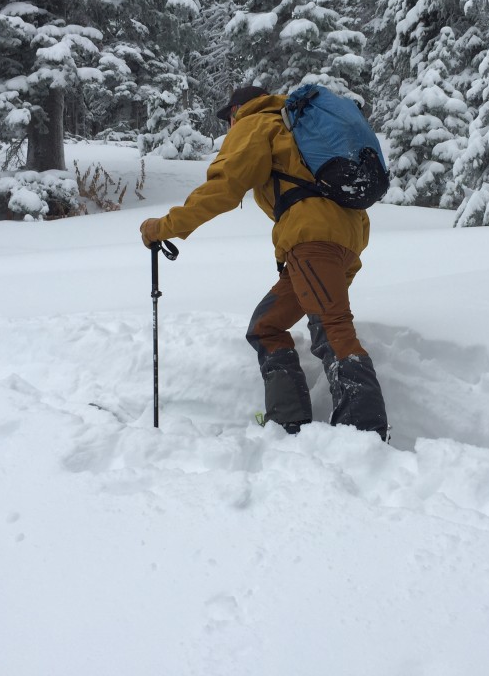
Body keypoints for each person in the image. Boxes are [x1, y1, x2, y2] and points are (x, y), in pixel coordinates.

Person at [140, 85, 389, 441]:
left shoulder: (255, 123)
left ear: (237, 109)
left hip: (313, 240)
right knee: (267, 326)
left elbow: (223, 188)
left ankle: (365, 432)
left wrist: (162, 227)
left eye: (228, 117)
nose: (229, 125)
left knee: (332, 326)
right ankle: (286, 421)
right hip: (343, 237)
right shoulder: (289, 126)